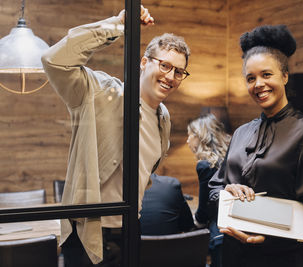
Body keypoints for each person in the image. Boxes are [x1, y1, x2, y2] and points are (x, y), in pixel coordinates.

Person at [41, 6, 191, 267]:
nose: (171, 76)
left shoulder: (163, 117)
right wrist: (118, 24)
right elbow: (54, 60)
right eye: (165, 65)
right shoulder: (101, 94)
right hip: (89, 234)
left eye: (179, 72)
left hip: (131, 230)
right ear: (144, 62)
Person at [208, 24, 303, 267]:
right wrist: (226, 192)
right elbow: (215, 187)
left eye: (266, 75)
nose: (258, 84)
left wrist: (266, 238)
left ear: (284, 76)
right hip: (232, 254)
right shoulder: (241, 132)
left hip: (279, 258)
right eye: (250, 78)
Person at [187, 113, 231, 267]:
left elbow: (205, 209)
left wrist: (194, 220)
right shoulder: (231, 156)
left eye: (190, 135)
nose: (187, 140)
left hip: (220, 232)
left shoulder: (205, 165)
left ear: (200, 136)